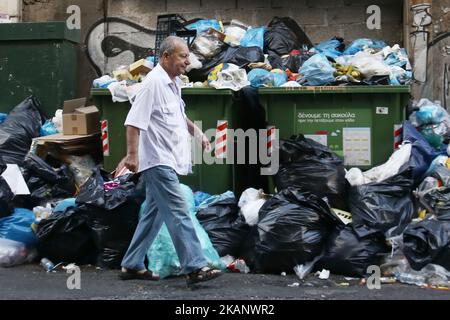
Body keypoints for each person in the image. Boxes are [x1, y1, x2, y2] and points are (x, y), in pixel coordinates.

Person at [119, 36, 221, 285]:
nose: (188, 61)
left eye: (188, 56)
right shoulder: (153, 83)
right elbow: (133, 122)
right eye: (183, 56)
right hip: (157, 159)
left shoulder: (172, 83)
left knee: (154, 214)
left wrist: (197, 134)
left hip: (168, 158)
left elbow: (178, 114)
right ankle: (195, 266)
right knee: (178, 210)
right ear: (166, 57)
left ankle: (131, 264)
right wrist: (132, 156)